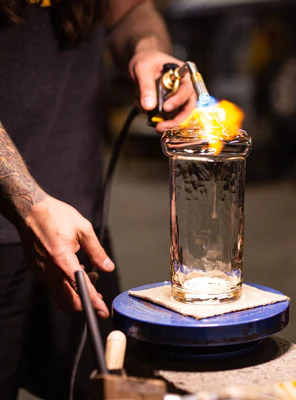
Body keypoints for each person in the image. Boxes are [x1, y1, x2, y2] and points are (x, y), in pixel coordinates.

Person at [0, 0, 197, 398]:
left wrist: (148, 48)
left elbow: (131, 11)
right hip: (13, 221)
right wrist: (27, 203)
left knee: (100, 387)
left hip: (79, 234)